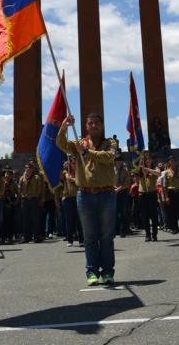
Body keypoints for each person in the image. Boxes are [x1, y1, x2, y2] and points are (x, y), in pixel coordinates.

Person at [57, 112, 117, 286]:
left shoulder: (110, 143)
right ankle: (91, 271)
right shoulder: (79, 142)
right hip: (85, 194)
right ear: (86, 126)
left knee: (106, 236)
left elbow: (109, 157)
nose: (93, 126)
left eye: (97, 123)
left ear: (102, 125)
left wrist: (86, 152)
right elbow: (60, 144)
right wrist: (64, 126)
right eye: (90, 123)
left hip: (106, 193)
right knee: (89, 237)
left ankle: (107, 272)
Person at [18, 163, 45, 243]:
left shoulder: (36, 178)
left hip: (34, 199)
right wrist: (21, 198)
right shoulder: (22, 178)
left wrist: (40, 199)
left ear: (32, 170)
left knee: (35, 219)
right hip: (25, 200)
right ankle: (26, 237)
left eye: (30, 168)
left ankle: (37, 236)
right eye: (26, 168)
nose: (28, 169)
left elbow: (40, 189)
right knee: (26, 219)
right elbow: (19, 189)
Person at [138, 151, 160, 242]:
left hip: (152, 193)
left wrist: (148, 169)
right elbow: (137, 170)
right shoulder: (140, 169)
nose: (148, 161)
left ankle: (154, 234)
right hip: (142, 193)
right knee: (145, 215)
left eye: (150, 159)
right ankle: (147, 234)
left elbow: (158, 173)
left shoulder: (155, 168)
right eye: (146, 159)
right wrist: (142, 166)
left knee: (154, 215)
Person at [163, 155, 179, 234]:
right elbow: (165, 186)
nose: (172, 162)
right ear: (169, 162)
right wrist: (166, 197)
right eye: (170, 161)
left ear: (176, 161)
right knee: (172, 211)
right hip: (171, 192)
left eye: (173, 160)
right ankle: (174, 228)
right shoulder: (166, 172)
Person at [61, 157, 83, 246]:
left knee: (79, 220)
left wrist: (74, 179)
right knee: (69, 220)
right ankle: (70, 240)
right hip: (68, 198)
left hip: (78, 197)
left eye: (74, 163)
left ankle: (82, 240)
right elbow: (66, 177)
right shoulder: (65, 172)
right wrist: (64, 167)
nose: (73, 164)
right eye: (71, 163)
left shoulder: (80, 172)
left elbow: (79, 181)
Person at [113, 155, 131, 237]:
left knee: (123, 212)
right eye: (117, 161)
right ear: (115, 162)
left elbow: (127, 183)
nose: (119, 162)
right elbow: (110, 180)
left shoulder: (125, 171)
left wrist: (118, 189)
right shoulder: (112, 170)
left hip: (123, 192)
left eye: (120, 160)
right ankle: (116, 230)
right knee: (115, 212)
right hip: (114, 192)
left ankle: (123, 230)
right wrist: (114, 188)